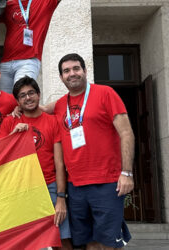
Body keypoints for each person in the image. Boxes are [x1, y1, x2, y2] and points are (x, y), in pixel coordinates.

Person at [54, 53, 134, 249]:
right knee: (87, 241)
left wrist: (127, 173)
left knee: (108, 241)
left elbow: (126, 133)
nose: (72, 74)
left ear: (84, 70)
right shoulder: (59, 105)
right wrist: (18, 109)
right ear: (61, 77)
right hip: (76, 185)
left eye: (76, 68)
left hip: (107, 182)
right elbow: (38, 109)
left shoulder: (105, 93)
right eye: (66, 71)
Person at [0, 76, 72, 250]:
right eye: (22, 95)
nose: (28, 98)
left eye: (31, 93)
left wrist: (61, 198)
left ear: (38, 95)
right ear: (17, 101)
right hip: (19, 190)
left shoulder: (52, 121)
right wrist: (13, 136)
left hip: (49, 186)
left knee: (62, 241)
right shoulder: (9, 122)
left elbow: (59, 163)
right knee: (23, 243)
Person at [0, 0, 60, 93]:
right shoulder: (9, 4)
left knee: (22, 94)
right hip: (5, 63)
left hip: (28, 61)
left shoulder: (44, 2)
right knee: (5, 102)